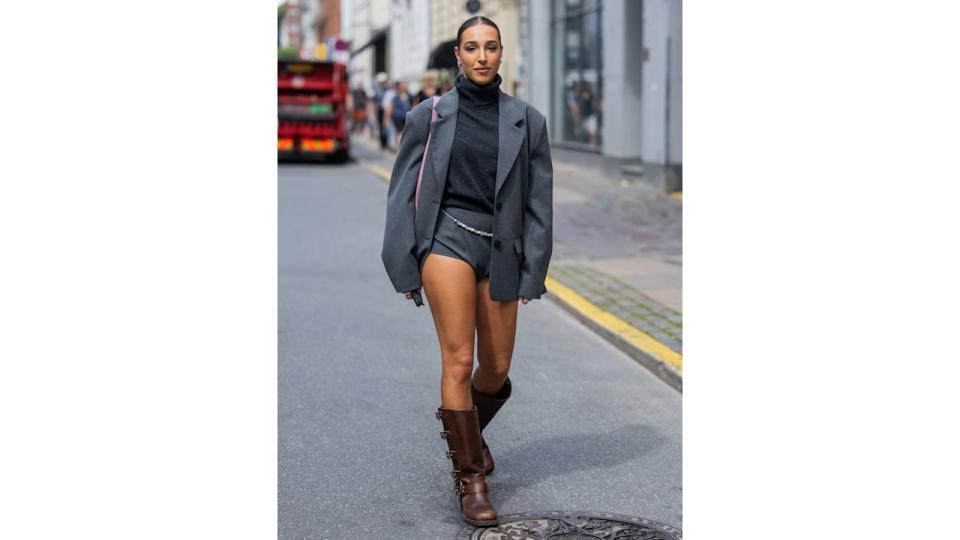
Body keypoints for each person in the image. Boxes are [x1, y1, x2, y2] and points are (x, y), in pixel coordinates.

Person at [380, 16, 553, 527]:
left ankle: (469, 437)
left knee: (496, 370)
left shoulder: (528, 120)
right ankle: (471, 479)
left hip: (502, 247)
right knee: (458, 360)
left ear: (502, 54)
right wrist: (404, 260)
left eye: (491, 47)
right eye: (471, 47)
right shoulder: (428, 117)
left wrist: (533, 269)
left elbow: (539, 203)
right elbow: (400, 193)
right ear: (458, 54)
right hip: (447, 241)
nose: (481, 56)